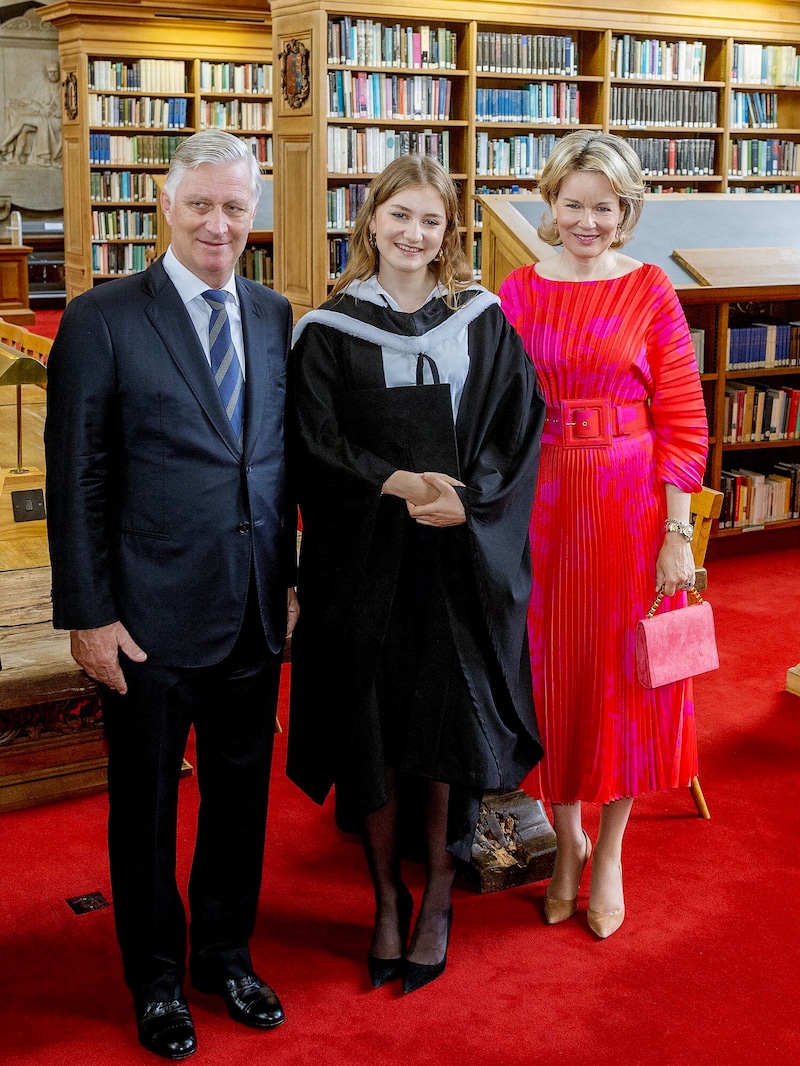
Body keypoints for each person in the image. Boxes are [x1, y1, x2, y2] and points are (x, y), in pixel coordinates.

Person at [44, 129, 297, 1059]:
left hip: (254, 607)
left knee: (240, 801)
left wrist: (293, 581)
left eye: (236, 206)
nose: (219, 223)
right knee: (145, 807)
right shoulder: (103, 318)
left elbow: (280, 463)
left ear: (253, 211)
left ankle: (225, 955)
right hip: (144, 618)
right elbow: (77, 479)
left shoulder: (275, 315)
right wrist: (89, 614)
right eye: (201, 204)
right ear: (164, 204)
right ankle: (154, 980)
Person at [286, 154, 545, 993]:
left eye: (430, 221)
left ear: (447, 234)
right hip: (364, 563)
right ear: (370, 223)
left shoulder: (479, 319)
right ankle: (383, 898)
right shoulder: (328, 330)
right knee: (373, 727)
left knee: (439, 727)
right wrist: (393, 483)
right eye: (399, 216)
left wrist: (471, 505)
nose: (413, 233)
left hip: (451, 557)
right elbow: (313, 443)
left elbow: (515, 427)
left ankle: (437, 888)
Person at [498, 130, 709, 939]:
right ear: (551, 205)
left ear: (627, 213)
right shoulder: (517, 290)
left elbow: (684, 421)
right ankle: (567, 839)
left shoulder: (652, 289)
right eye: (574, 204)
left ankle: (611, 850)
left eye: (605, 208)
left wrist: (677, 532)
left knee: (624, 678)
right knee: (552, 673)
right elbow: (497, 410)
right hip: (543, 504)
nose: (588, 221)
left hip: (629, 508)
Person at [0, 60, 62, 166]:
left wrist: (53, 111)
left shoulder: (63, 87)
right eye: (50, 72)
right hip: (45, 118)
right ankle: (17, 158)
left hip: (56, 121)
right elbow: (35, 101)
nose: (53, 74)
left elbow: (66, 109)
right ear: (47, 73)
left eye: (55, 72)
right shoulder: (45, 86)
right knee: (23, 129)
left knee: (22, 119)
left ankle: (3, 144)